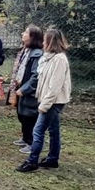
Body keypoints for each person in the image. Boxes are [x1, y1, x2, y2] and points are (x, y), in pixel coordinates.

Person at [16, 28, 71, 172]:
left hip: (53, 102)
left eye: (45, 39)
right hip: (47, 100)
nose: (43, 42)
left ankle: (32, 161)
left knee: (38, 130)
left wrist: (44, 105)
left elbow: (54, 87)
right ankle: (52, 159)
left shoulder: (59, 60)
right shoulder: (49, 57)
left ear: (51, 41)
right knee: (54, 131)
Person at [8, 25, 44, 154]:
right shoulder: (25, 50)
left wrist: (25, 89)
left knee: (29, 116)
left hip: (29, 91)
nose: (23, 34)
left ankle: (31, 142)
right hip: (20, 86)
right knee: (21, 114)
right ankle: (25, 138)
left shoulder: (37, 54)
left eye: (26, 32)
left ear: (32, 37)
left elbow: (36, 76)